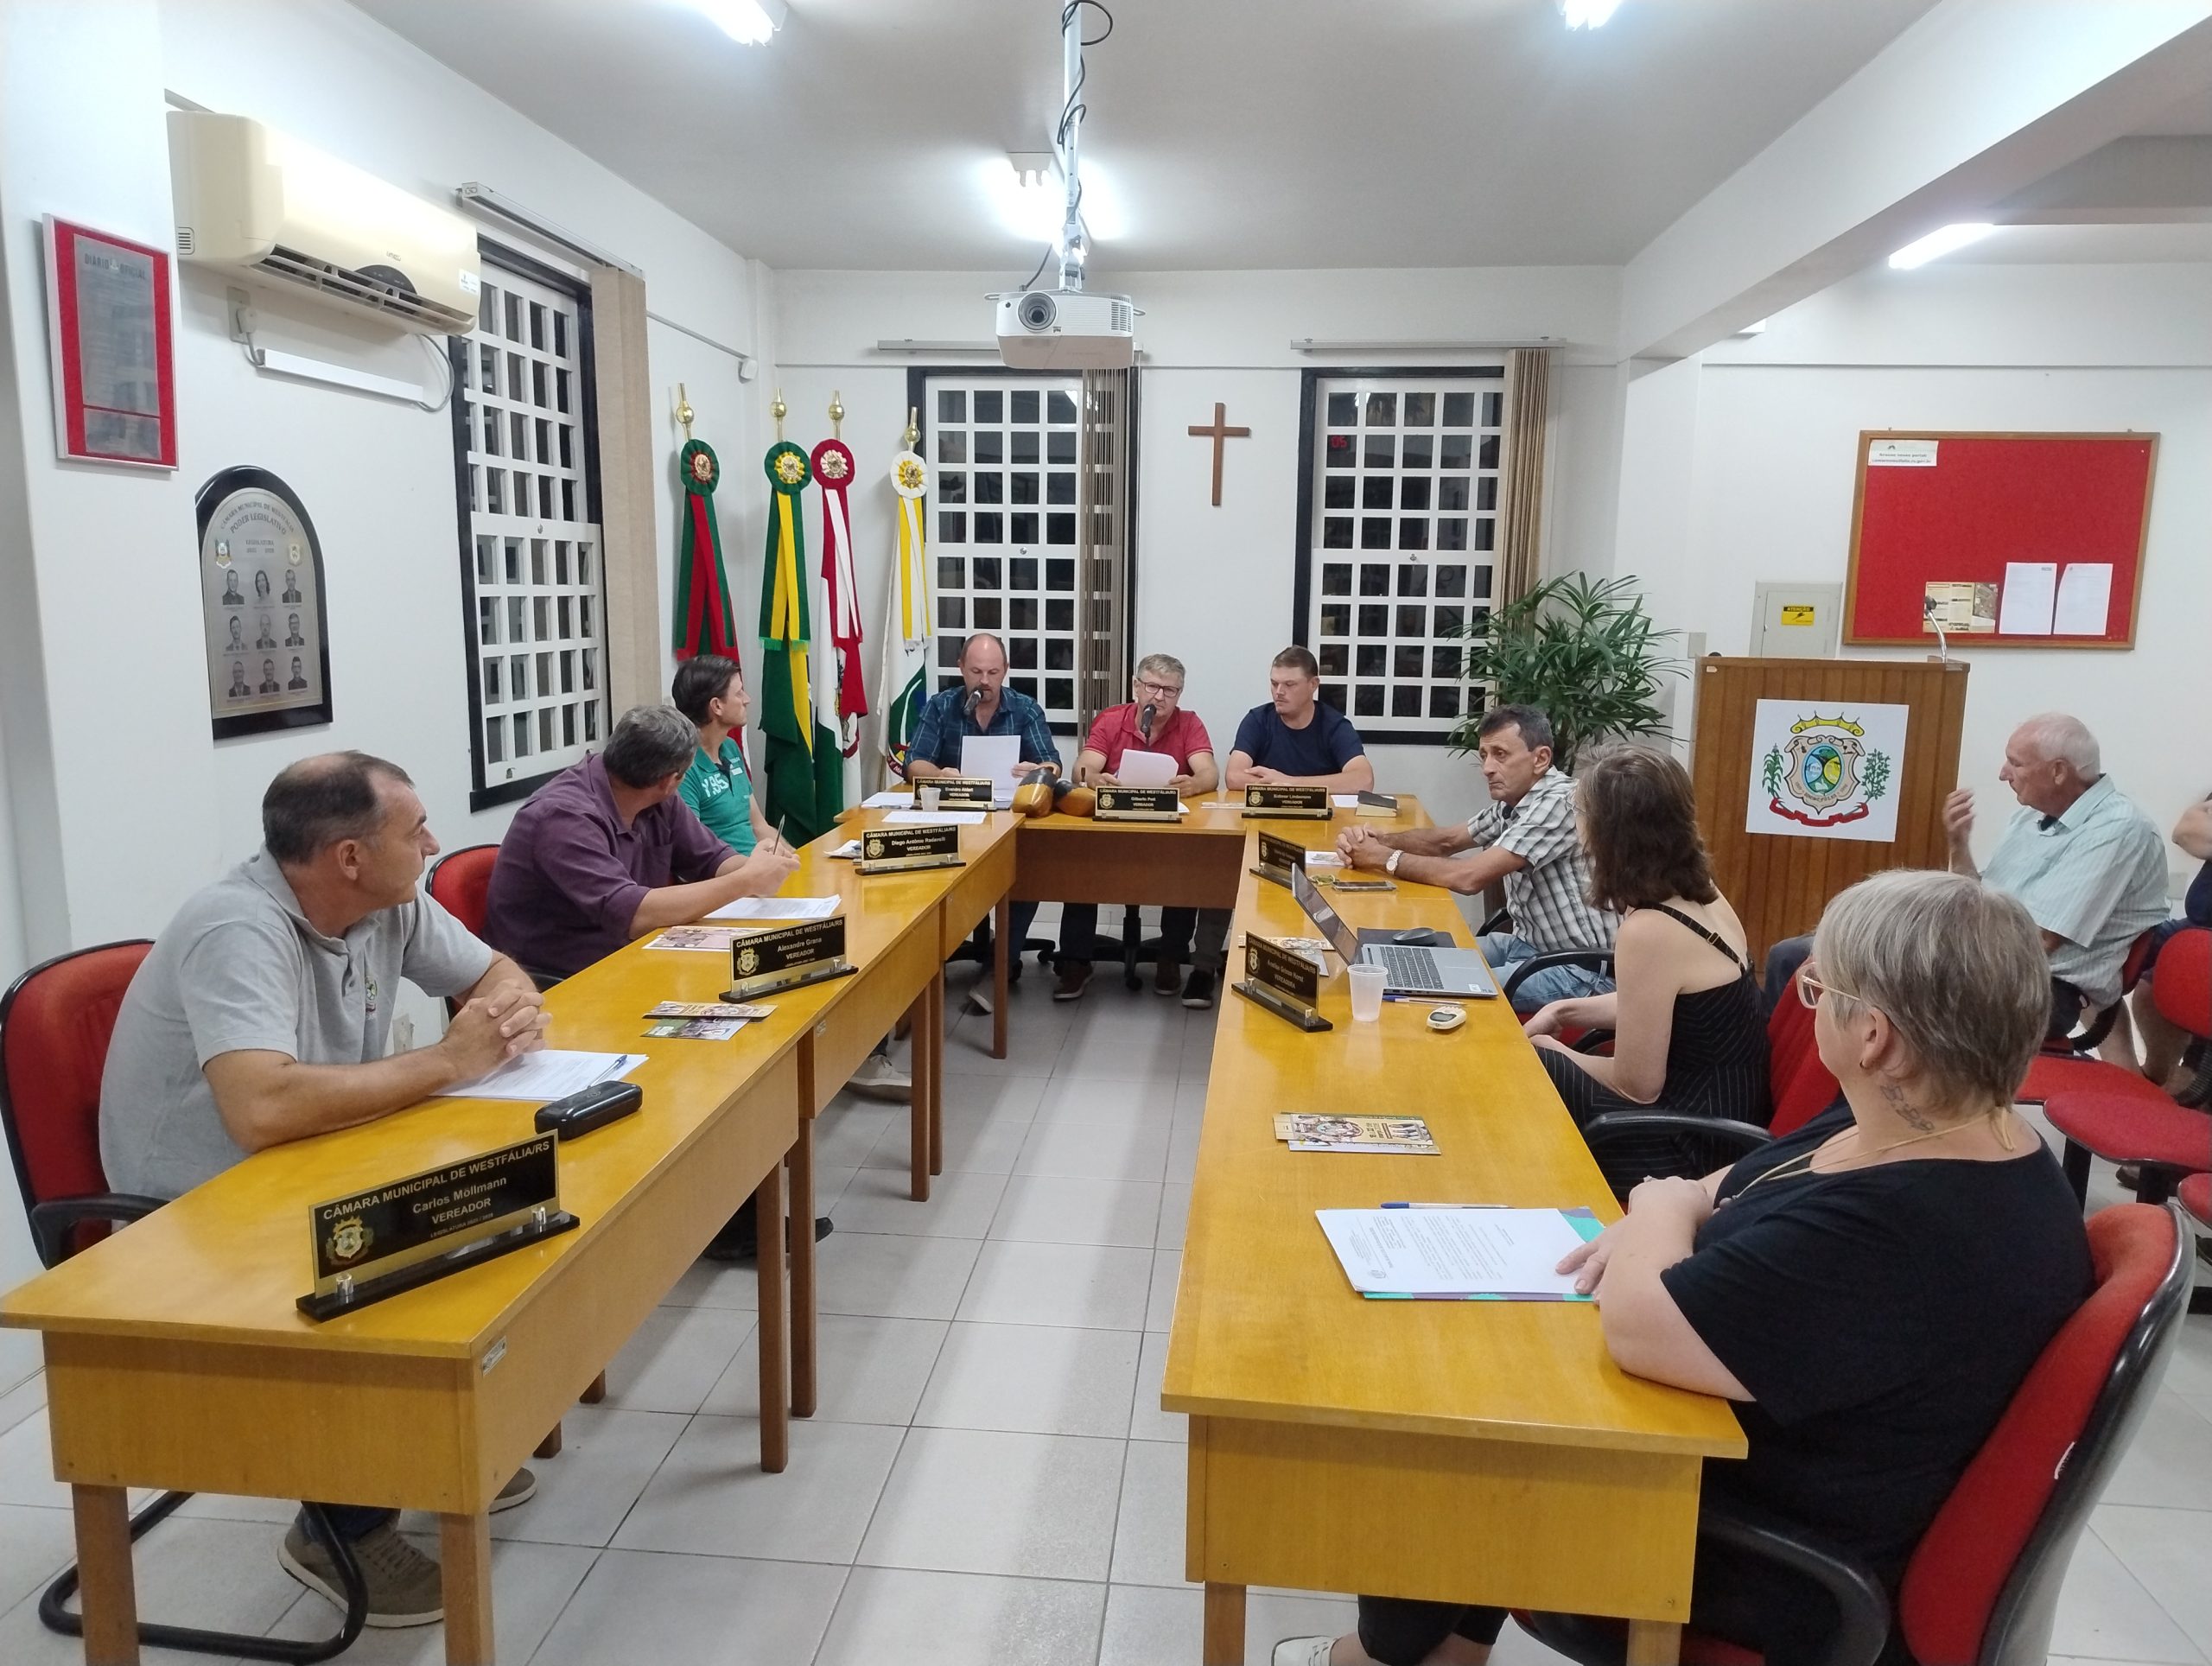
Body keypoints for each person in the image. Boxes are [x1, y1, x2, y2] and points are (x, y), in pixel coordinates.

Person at [1278, 869, 2092, 1666]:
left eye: (1818, 992)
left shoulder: (1911, 1223)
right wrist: (1679, 1206)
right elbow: (1743, 1176)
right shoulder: (1929, 1117)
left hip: (1746, 1542)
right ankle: (1449, 1651)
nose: (1809, 1005)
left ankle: (1374, 1657)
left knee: (1447, 1415)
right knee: (1497, 1354)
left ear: (1875, 1036)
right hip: (1727, 1443)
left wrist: (1661, 1210)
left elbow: (1643, 1325)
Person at [100, 752, 553, 1628]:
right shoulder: (237, 928)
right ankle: (339, 1527)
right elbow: (261, 1109)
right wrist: (448, 1061)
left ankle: (430, 1439)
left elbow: (495, 971)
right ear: (350, 856)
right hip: (198, 1209)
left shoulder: (390, 902)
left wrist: (510, 1011)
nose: (433, 843)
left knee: (503, 1197)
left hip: (315, 1159)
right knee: (404, 1251)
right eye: (414, 830)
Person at [671, 654, 909, 1102]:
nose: (748, 698)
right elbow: (693, 852)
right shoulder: (686, 770)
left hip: (761, 878)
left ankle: (861, 1046)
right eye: (739, 691)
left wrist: (786, 855)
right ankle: (844, 1054)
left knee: (858, 922)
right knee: (827, 939)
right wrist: (754, 869)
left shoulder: (731, 753)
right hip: (727, 892)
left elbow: (758, 824)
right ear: (716, 706)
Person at [1523, 747, 1766, 1180]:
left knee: (1531, 1066)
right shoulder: (1700, 893)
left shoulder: (1649, 930)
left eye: (1579, 811)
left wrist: (1550, 1050)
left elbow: (1637, 1088)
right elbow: (1665, 1007)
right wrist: (1562, 1011)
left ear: (1609, 831)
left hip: (1688, 1144)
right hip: (1723, 1117)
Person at [483, 703, 798, 983]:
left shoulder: (659, 798)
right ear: (670, 780)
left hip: (635, 955)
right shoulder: (561, 818)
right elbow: (634, 915)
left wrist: (759, 866)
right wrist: (745, 881)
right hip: (561, 980)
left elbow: (712, 859)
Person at [1337, 705, 1616, 1012]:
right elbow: (1446, 841)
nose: (1487, 768)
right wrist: (1379, 840)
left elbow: (1468, 878)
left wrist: (1383, 858)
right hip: (1529, 947)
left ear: (1540, 759)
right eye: (1484, 755)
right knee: (1404, 958)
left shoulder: (1557, 804)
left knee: (1429, 987)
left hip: (1580, 970)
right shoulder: (1516, 802)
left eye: (1500, 754)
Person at [1057, 653, 1229, 1006]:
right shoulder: (1111, 719)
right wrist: (1094, 778)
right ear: (1136, 687)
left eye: (1170, 690)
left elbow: (1210, 772)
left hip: (1169, 835)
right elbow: (1082, 768)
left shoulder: (1189, 723)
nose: (1159, 696)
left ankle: (1170, 957)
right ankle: (1076, 960)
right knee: (1078, 865)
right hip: (1111, 832)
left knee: (1188, 869)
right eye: (1152, 686)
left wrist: (1194, 784)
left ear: (1179, 694)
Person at [906, 633, 1061, 989]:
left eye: (993, 672)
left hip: (1008, 818)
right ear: (961, 668)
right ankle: (926, 965)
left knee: (1027, 870)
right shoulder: (941, 706)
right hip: (953, 818)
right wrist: (940, 775)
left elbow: (1053, 764)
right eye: (976, 672)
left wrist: (1037, 771)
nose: (985, 681)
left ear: (1006, 670)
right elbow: (914, 764)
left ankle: (1003, 961)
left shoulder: (1025, 708)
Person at [2129, 786, 2211, 1087]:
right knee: (2109, 950)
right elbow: (2187, 830)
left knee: (2165, 987)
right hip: (2197, 921)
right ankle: (2154, 1073)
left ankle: (2193, 1079)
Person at [1224, 645, 1373, 793]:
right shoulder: (1257, 720)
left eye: (1289, 684)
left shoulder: (1335, 726)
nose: (1279, 692)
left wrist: (1289, 782)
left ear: (1313, 684)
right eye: (1274, 684)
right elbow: (1234, 776)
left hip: (1319, 809)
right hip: (1268, 809)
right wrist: (1281, 785)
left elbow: (1364, 780)